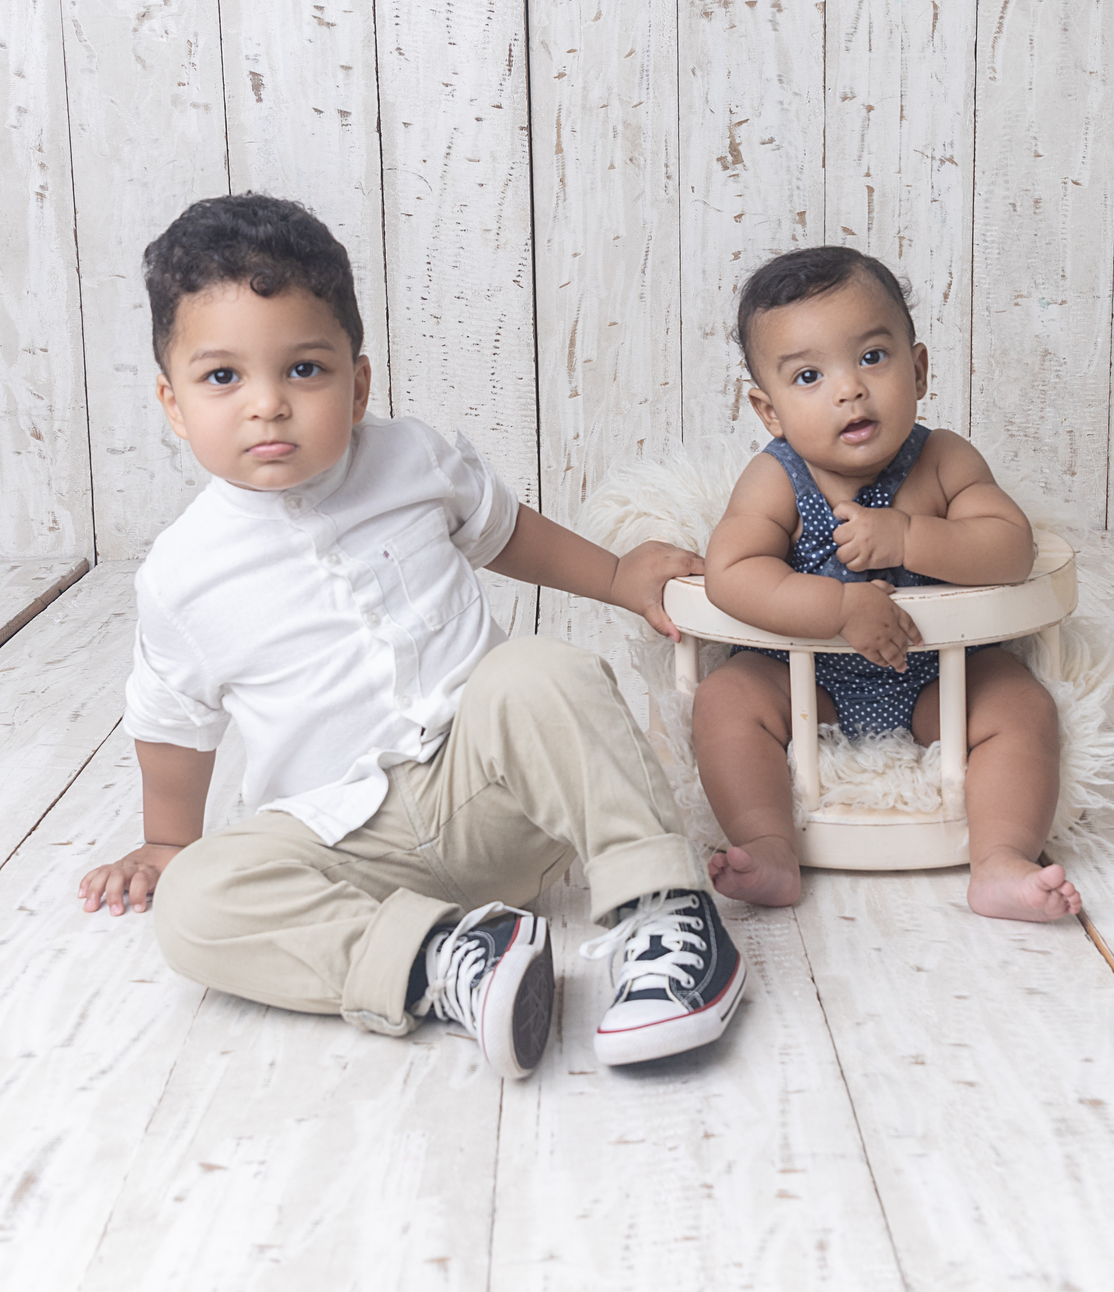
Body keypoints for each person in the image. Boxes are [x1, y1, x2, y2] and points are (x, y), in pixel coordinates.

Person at [79, 194, 747, 1077]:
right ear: (172, 403)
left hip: (498, 796)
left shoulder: (409, 460)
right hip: (347, 851)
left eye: (304, 371)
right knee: (197, 904)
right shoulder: (180, 574)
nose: (268, 406)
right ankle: (449, 962)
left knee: (540, 671)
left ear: (357, 383)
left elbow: (509, 533)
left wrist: (619, 578)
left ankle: (664, 910)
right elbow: (170, 724)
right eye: (223, 378)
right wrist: (169, 842)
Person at [693, 245, 1081, 924]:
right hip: (805, 679)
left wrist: (909, 536)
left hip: (937, 675)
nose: (849, 389)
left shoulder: (941, 459)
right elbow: (731, 573)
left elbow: (1009, 547)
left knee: (1022, 710)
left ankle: (1000, 858)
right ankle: (767, 842)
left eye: (872, 357)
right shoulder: (776, 477)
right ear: (769, 410)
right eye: (809, 375)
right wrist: (837, 604)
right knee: (725, 700)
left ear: (920, 367)